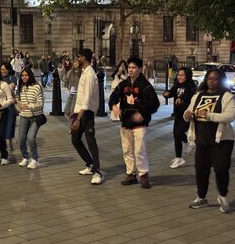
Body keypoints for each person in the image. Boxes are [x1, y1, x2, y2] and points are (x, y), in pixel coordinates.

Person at [183, 69, 235, 213]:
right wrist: (187, 115)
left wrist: (209, 116)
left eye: (216, 79)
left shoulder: (226, 96)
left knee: (221, 169)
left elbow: (230, 116)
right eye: (210, 78)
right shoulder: (198, 95)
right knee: (201, 170)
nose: (212, 81)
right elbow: (187, 112)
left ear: (221, 80)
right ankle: (201, 197)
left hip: (222, 140)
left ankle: (223, 196)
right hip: (202, 139)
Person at [108, 56, 160, 189]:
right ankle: (130, 174)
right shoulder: (123, 84)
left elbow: (154, 103)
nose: (130, 70)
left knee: (139, 150)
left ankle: (143, 174)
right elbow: (113, 97)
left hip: (139, 124)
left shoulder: (145, 86)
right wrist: (113, 106)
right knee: (127, 150)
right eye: (129, 67)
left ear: (139, 69)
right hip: (125, 122)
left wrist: (142, 114)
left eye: (133, 68)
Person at [70, 48, 103, 185]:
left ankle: (97, 171)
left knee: (90, 141)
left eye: (78, 56)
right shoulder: (84, 72)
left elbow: (88, 98)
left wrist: (78, 118)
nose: (76, 59)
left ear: (84, 58)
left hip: (86, 113)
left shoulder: (90, 75)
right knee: (75, 139)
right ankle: (89, 164)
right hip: (79, 111)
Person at [163, 67, 197, 168]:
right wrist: (166, 94)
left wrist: (181, 100)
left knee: (178, 133)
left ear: (187, 76)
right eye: (179, 75)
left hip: (187, 115)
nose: (180, 77)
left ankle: (189, 142)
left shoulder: (191, 87)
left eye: (182, 75)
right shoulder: (177, 85)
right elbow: (171, 92)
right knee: (176, 136)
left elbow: (191, 99)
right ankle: (178, 158)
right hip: (177, 114)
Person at [15, 68, 44, 169]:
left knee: (31, 138)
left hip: (35, 117)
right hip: (23, 116)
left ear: (30, 76)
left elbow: (40, 103)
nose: (24, 77)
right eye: (22, 75)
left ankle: (35, 159)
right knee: (21, 138)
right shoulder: (21, 87)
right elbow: (17, 101)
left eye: (26, 75)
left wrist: (30, 106)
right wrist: (18, 106)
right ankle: (25, 157)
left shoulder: (36, 87)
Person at [0, 62, 18, 151]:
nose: (2, 71)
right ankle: (2, 143)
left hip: (9, 105)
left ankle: (9, 143)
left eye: (4, 69)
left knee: (10, 124)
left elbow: (10, 88)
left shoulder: (12, 77)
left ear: (8, 69)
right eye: (1, 70)